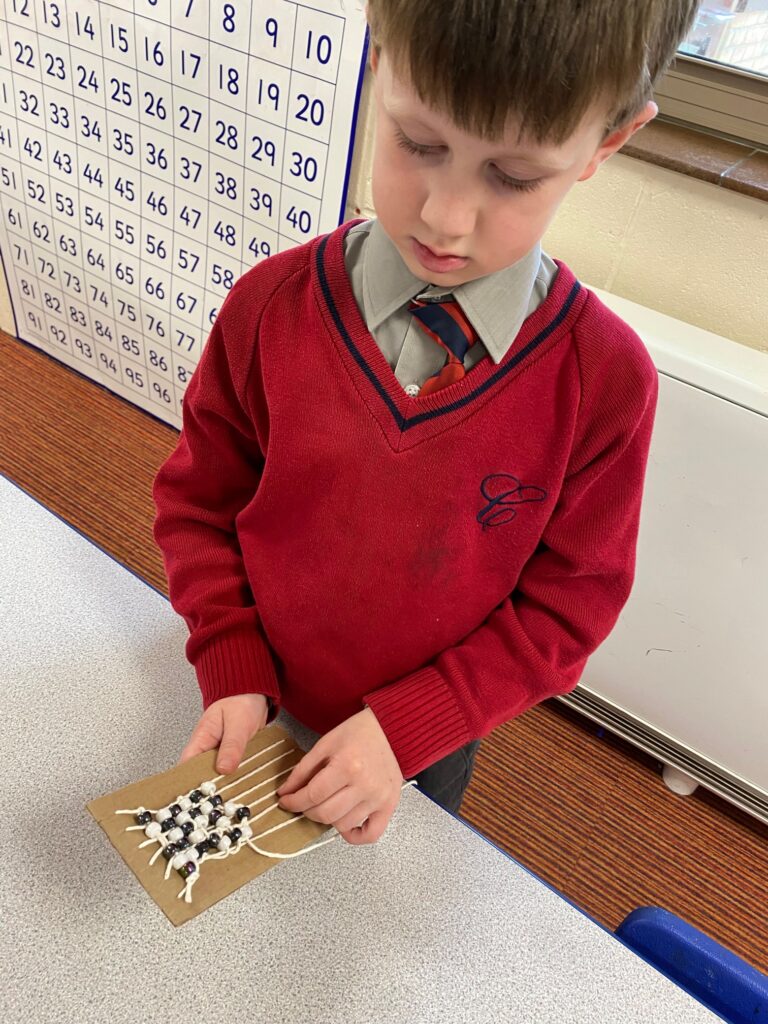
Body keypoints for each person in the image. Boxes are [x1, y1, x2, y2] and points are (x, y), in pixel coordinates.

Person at [153, 0, 698, 845]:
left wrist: (413, 726)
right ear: (376, 63)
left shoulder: (605, 382)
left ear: (608, 143)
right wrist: (229, 656)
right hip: (246, 682)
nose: (445, 218)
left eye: (513, 179)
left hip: (424, 734)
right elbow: (198, 503)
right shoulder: (269, 308)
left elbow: (567, 606)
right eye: (418, 144)